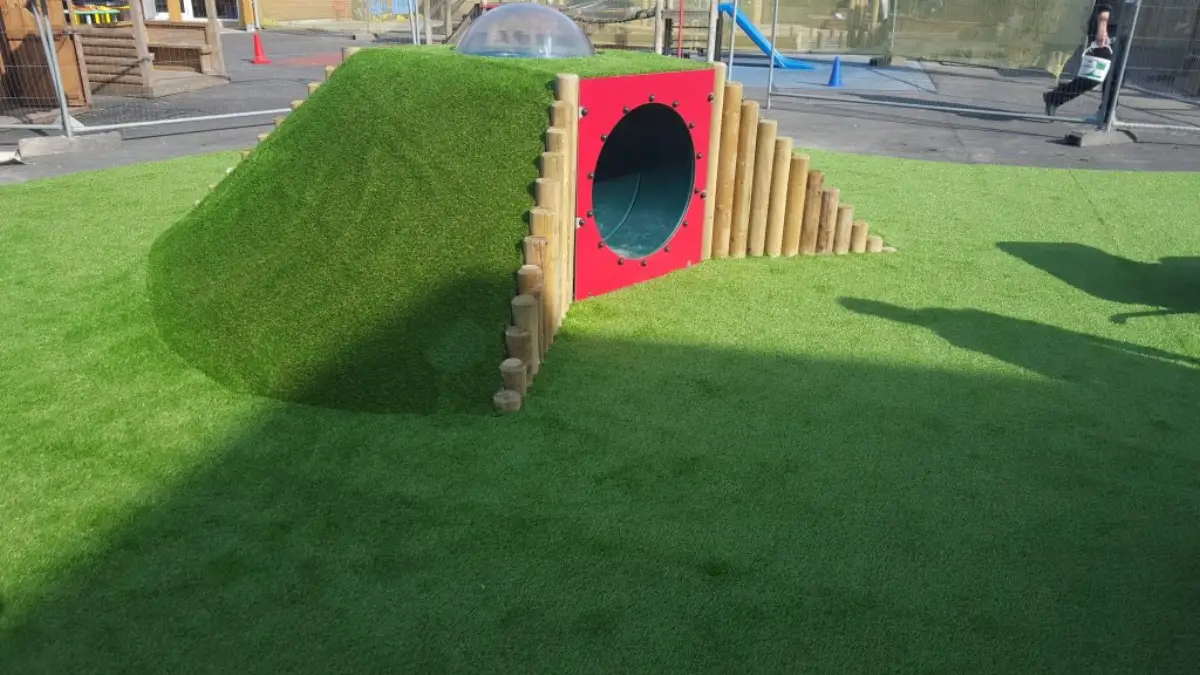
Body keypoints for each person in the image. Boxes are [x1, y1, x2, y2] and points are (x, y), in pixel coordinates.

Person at [1042, 1, 1129, 117]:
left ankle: (1107, 112)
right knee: (1095, 75)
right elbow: (1105, 2)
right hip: (1107, 27)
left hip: (1122, 27)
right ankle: (1055, 98)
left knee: (1116, 75)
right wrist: (1102, 26)